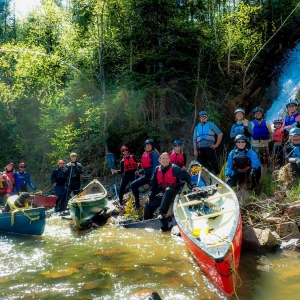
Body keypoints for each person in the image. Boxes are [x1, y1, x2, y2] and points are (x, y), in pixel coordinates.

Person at [145, 152, 200, 228]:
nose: (165, 160)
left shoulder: (174, 168)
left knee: (168, 190)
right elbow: (154, 187)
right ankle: (147, 222)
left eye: (166, 158)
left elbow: (186, 176)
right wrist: (150, 197)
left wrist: (194, 185)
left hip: (174, 193)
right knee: (148, 203)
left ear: (169, 159)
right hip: (164, 194)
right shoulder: (157, 170)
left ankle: (162, 213)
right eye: (163, 159)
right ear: (159, 160)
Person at [130, 139, 159, 208]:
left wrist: (153, 178)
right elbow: (145, 168)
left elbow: (156, 167)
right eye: (146, 145)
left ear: (152, 146)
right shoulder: (145, 154)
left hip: (153, 176)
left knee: (153, 191)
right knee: (133, 185)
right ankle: (137, 203)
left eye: (149, 145)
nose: (148, 146)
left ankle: (153, 203)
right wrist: (139, 172)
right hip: (146, 176)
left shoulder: (154, 154)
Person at [193, 110, 223, 175]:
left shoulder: (211, 125)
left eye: (205, 117)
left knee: (214, 163)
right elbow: (194, 139)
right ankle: (200, 178)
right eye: (202, 117)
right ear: (199, 118)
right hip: (200, 148)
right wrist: (195, 150)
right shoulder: (197, 127)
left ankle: (219, 176)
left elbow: (220, 133)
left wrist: (216, 145)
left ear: (207, 118)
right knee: (200, 164)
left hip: (209, 147)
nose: (203, 118)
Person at [249, 107, 273, 176]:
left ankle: (263, 179)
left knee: (264, 163)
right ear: (254, 115)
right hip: (254, 146)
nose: (258, 114)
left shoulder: (267, 123)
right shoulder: (251, 124)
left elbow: (271, 133)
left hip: (265, 146)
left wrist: (273, 141)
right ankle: (255, 178)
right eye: (256, 113)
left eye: (259, 113)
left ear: (262, 114)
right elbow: (248, 134)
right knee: (254, 163)